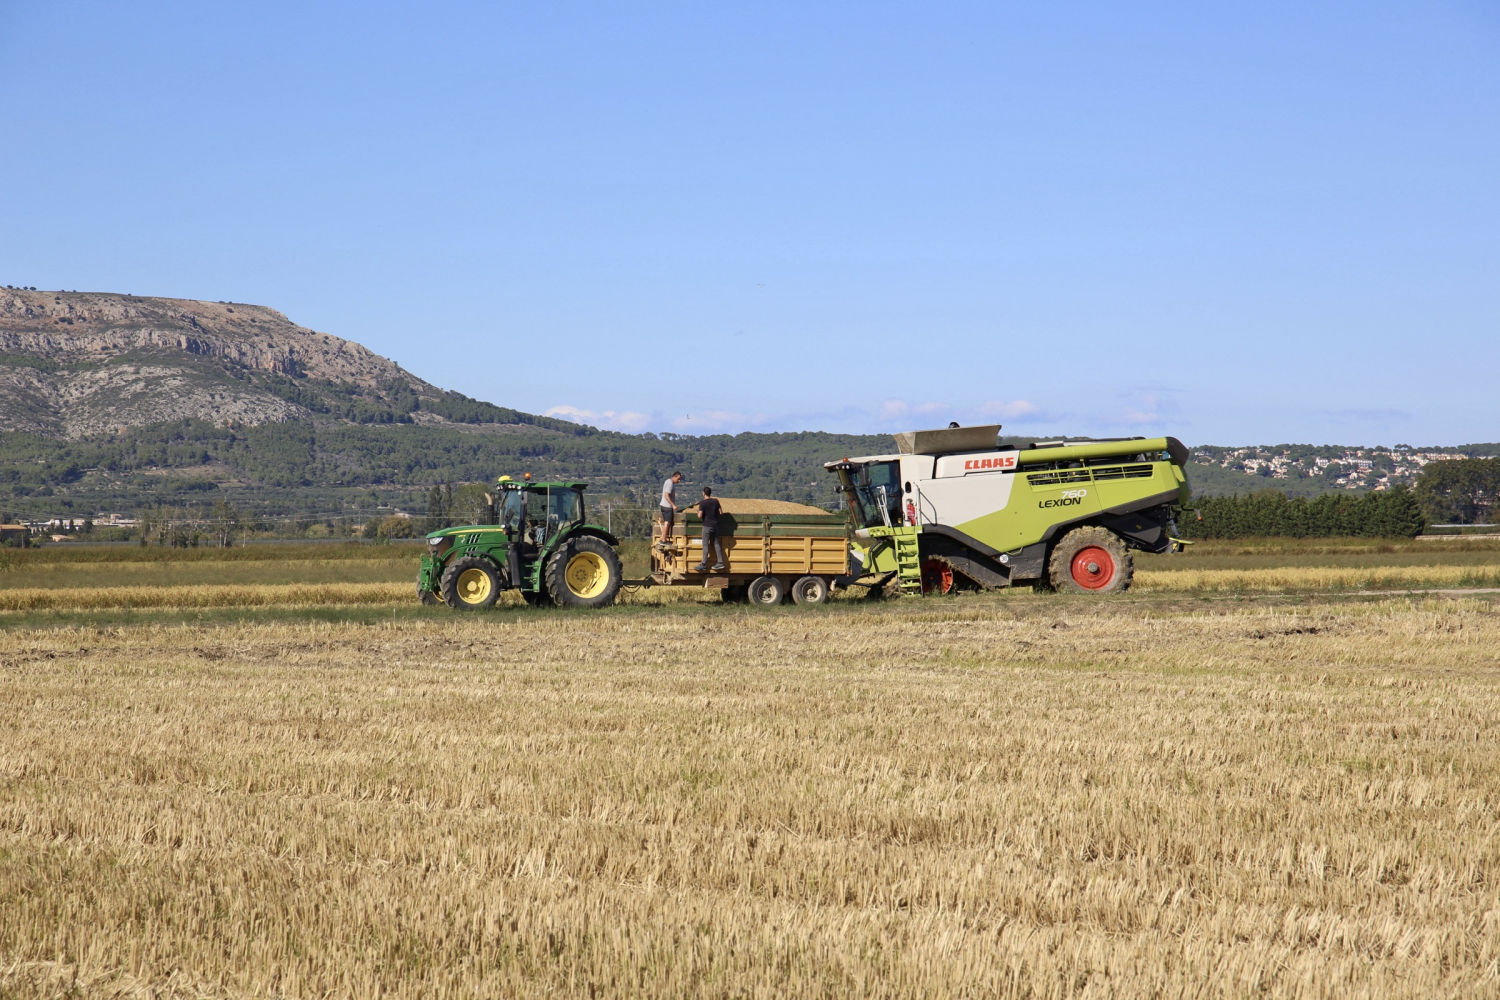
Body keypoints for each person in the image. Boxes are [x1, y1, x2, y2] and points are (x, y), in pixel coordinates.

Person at [692, 486, 725, 572]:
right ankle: (720, 562)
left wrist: (697, 512)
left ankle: (703, 564)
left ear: (703, 493)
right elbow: (721, 513)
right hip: (716, 526)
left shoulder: (703, 503)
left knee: (705, 544)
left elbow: (699, 516)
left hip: (707, 526)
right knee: (716, 544)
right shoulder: (716, 501)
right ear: (710, 493)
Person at [658, 471, 684, 545]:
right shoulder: (670, 483)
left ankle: (664, 539)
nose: (679, 481)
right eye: (678, 479)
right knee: (667, 522)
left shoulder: (668, 482)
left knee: (668, 522)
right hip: (667, 506)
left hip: (664, 505)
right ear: (674, 476)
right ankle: (663, 540)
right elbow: (667, 495)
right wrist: (673, 505)